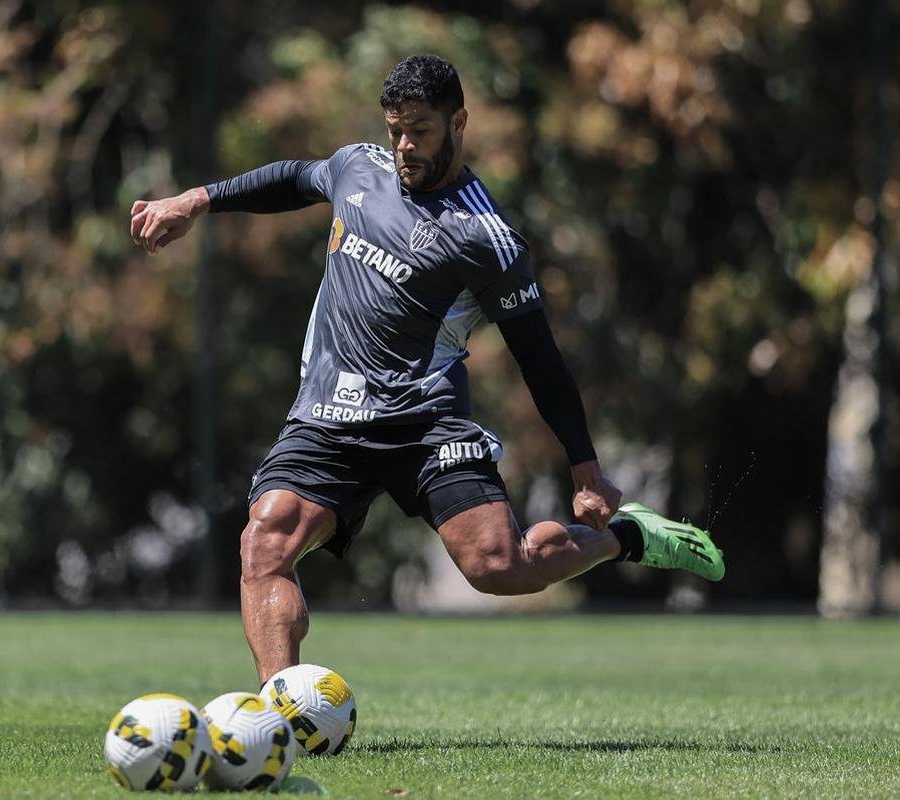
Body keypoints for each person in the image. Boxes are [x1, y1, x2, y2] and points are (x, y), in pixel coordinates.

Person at [129, 54, 724, 684]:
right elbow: (295, 177)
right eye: (395, 129)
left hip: (425, 422)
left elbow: (539, 356)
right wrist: (196, 200)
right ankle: (282, 719)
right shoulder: (360, 168)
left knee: (500, 567)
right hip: (328, 416)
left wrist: (586, 470)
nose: (405, 145)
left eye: (421, 129)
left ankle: (629, 539)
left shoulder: (484, 238)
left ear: (458, 122)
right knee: (264, 543)